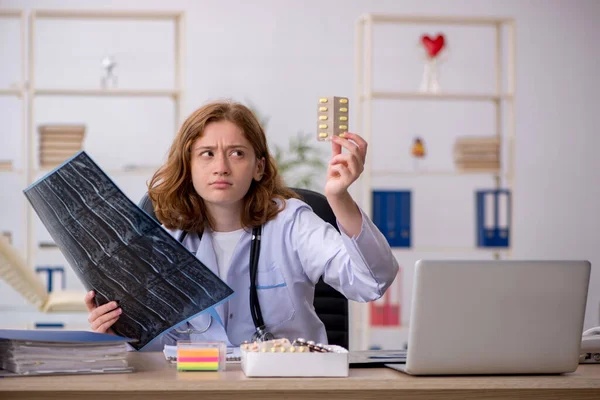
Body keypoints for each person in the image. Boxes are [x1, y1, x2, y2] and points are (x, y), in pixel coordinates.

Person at [85, 100, 399, 350]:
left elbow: (372, 281)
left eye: (237, 153)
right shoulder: (167, 238)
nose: (221, 167)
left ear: (258, 167)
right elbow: (162, 348)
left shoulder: (291, 222)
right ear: (189, 166)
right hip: (200, 387)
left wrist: (339, 196)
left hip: (287, 387)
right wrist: (122, 334)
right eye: (207, 154)